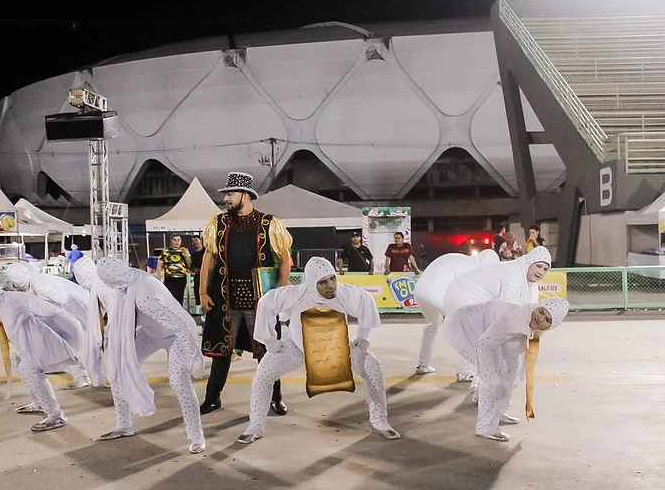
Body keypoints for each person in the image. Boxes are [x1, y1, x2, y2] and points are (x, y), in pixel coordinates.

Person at [236, 257, 400, 444]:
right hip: (297, 347)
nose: (331, 285)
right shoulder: (295, 294)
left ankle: (380, 420)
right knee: (264, 371)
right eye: (323, 282)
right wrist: (270, 341)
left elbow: (365, 301)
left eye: (333, 279)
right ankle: (255, 425)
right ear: (312, 283)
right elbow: (267, 302)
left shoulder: (344, 293)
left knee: (372, 365)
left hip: (337, 348)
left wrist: (363, 337)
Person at [77, 257, 206, 453]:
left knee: (179, 381)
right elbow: (124, 319)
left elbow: (179, 325)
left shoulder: (143, 294)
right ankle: (124, 424)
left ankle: (196, 436)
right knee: (119, 368)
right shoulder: (127, 285)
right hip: (152, 331)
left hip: (177, 335)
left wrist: (197, 358)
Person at [199, 171, 292, 415]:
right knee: (221, 353)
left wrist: (280, 295)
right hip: (224, 299)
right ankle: (212, 398)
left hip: (259, 303)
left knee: (268, 352)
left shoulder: (269, 223)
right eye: (226, 194)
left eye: (230, 194)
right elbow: (208, 260)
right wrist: (202, 292)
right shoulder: (217, 224)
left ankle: (276, 398)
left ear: (245, 195)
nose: (226, 199)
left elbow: (285, 260)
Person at [443, 297, 569, 441]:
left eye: (547, 319)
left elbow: (520, 353)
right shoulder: (514, 320)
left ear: (551, 326)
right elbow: (483, 346)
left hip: (487, 328)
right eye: (541, 312)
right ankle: (485, 426)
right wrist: (496, 382)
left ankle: (497, 411)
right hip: (461, 325)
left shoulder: (534, 320)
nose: (541, 319)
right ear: (538, 307)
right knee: (491, 371)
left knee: (512, 368)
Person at [0, 277, 86, 432]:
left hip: (63, 333)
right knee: (18, 360)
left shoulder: (8, 306)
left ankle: (55, 414)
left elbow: (23, 337)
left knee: (29, 368)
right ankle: (39, 402)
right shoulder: (7, 298)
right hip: (62, 329)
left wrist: (30, 358)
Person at [443, 246, 552, 382]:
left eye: (545, 269)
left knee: (485, 339)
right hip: (461, 297)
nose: (541, 271)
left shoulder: (528, 281)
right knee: (490, 341)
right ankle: (481, 386)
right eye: (538, 266)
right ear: (529, 262)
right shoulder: (514, 275)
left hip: (462, 298)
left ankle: (467, 373)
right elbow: (508, 313)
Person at [5, 262, 96, 390]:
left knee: (67, 343)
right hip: (69, 316)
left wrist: (76, 321)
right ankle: (61, 366)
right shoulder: (36, 282)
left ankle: (82, 377)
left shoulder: (40, 284)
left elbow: (66, 301)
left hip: (75, 314)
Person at [413, 249, 500, 375]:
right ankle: (465, 371)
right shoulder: (473, 268)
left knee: (433, 324)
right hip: (437, 293)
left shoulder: (459, 258)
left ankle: (423, 364)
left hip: (419, 292)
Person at [156, 234, 192, 305]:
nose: (176, 242)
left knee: (179, 299)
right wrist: (158, 279)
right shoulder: (165, 251)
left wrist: (186, 254)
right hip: (169, 278)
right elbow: (159, 265)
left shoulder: (184, 251)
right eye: (174, 240)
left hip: (181, 278)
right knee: (169, 299)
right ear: (171, 241)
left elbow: (189, 264)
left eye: (178, 240)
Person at [189, 235, 205, 310]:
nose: (195, 242)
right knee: (198, 294)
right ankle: (202, 315)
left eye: (196, 240)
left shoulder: (206, 252)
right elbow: (192, 267)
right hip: (198, 276)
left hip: (207, 276)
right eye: (193, 241)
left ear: (200, 240)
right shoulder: (193, 255)